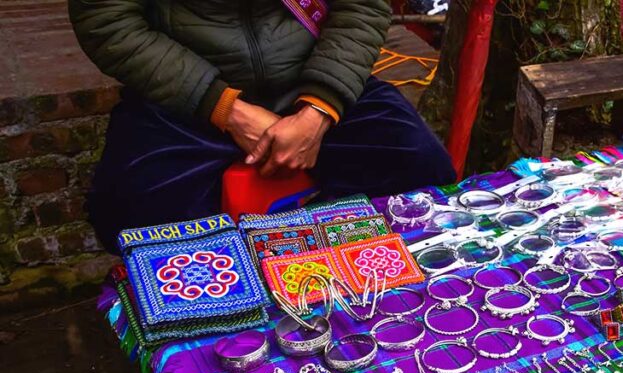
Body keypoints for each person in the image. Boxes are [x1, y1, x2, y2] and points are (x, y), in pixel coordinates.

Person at [69, 0, 456, 253]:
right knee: (128, 215)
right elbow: (106, 21)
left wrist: (319, 109)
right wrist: (225, 109)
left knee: (420, 168)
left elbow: (362, 6)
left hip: (313, 78)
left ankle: (339, 271)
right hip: (189, 94)